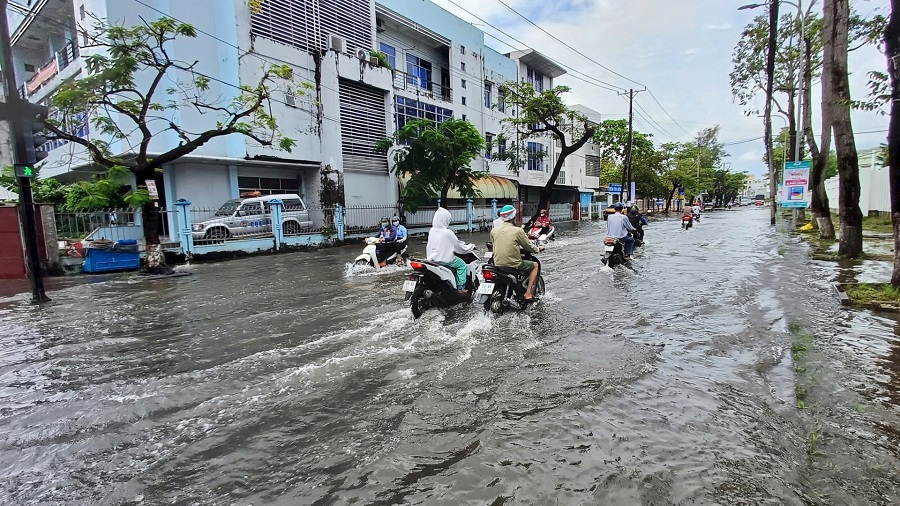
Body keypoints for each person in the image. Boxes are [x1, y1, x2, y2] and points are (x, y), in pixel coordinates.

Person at [490, 205, 544, 301]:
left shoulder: (494, 231)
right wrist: (538, 249)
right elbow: (528, 246)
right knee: (535, 265)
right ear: (513, 217)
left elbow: (495, 244)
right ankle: (528, 294)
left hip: (497, 263)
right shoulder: (518, 231)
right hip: (513, 264)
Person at [426, 207, 475, 294]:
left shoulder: (432, 230)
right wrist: (470, 247)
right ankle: (460, 288)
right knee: (462, 265)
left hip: (431, 260)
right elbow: (459, 247)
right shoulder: (447, 232)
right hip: (445, 260)